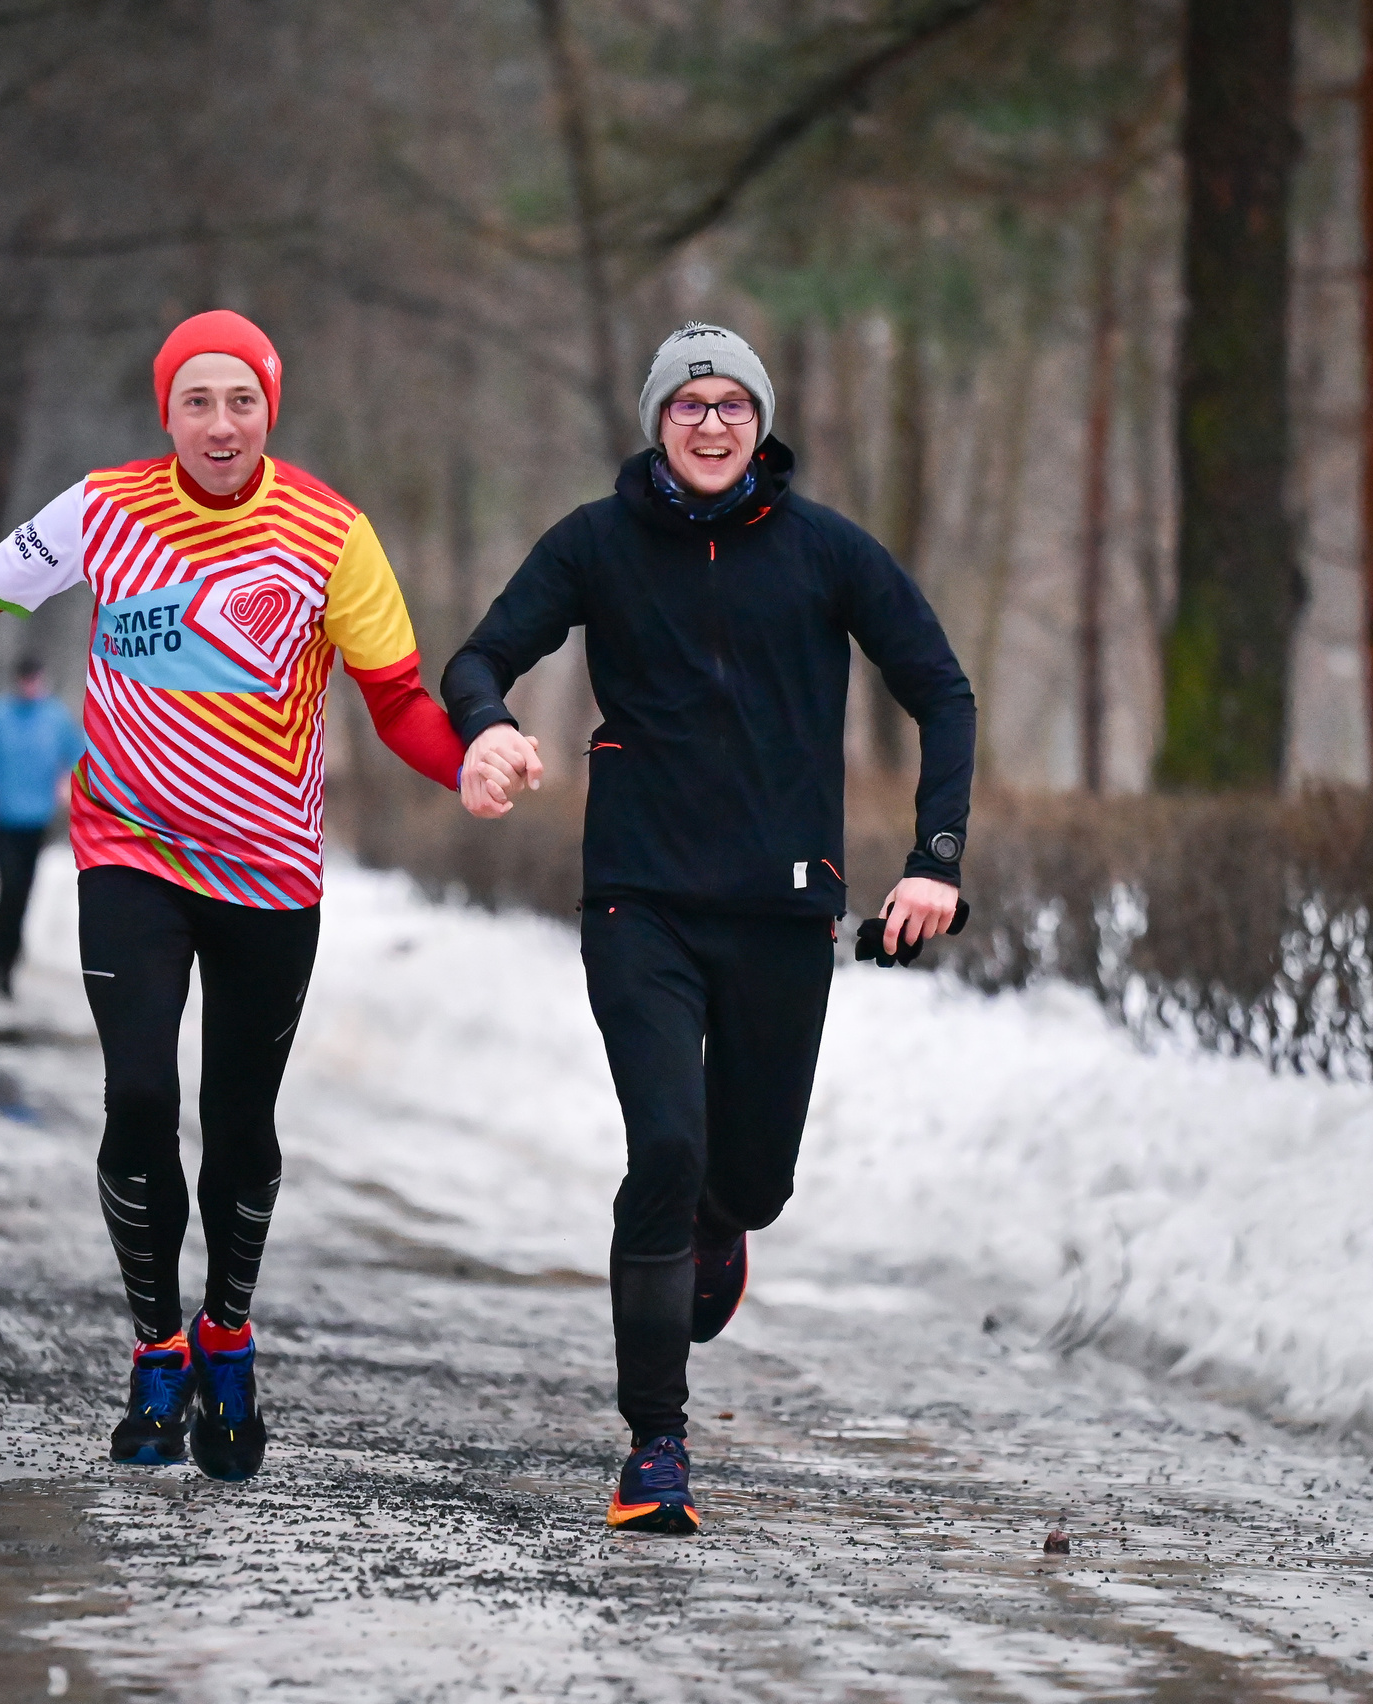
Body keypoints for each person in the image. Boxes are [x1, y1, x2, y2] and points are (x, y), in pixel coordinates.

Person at [0, 310, 474, 1482]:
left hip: (270, 873)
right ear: (167, 411)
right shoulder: (102, 510)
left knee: (242, 1124)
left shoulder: (328, 533)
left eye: (240, 400)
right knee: (141, 1095)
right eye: (195, 401)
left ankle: (229, 1333)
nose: (219, 424)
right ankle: (158, 1346)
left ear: (271, 407)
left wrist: (473, 763)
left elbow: (398, 698)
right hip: (132, 854)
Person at [443, 321, 975, 1535]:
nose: (712, 423)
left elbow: (939, 688)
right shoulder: (595, 541)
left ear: (762, 421)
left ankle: (723, 1227)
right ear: (656, 421)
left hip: (784, 911)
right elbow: (480, 657)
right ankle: (656, 1449)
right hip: (639, 903)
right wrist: (486, 725)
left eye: (734, 404)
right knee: (664, 1152)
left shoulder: (827, 551)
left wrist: (934, 859)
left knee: (748, 1180)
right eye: (689, 405)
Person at [0, 656, 84, 997]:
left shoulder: (55, 718)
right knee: (10, 888)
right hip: (2, 817)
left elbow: (79, 755)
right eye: (25, 679)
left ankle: (2, 967)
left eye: (35, 679)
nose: (30, 685)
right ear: (16, 680)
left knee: (21, 893)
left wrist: (67, 780)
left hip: (37, 820)